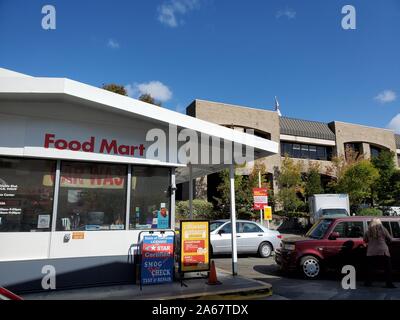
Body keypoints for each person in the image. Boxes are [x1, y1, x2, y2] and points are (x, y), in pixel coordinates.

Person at [363, 218, 396, 288]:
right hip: (383, 251)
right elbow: (390, 239)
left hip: (371, 252)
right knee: (387, 269)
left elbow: (365, 240)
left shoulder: (368, 232)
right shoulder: (384, 230)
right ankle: (389, 284)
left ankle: (368, 282)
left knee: (370, 269)